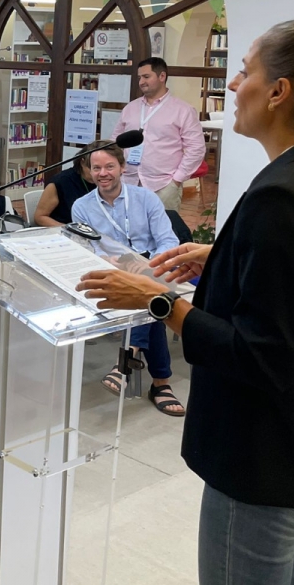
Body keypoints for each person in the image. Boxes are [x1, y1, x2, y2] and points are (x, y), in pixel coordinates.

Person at [79, 21, 294, 585]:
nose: (233, 81)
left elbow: (263, 353)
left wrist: (157, 300)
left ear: (279, 92)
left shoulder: (287, 197)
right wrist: (221, 254)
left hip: (263, 462)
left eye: (244, 69)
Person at [71, 141, 183, 416]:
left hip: (152, 266)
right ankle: (160, 383)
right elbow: (84, 247)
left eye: (109, 166)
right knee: (154, 298)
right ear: (88, 172)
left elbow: (168, 239)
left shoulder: (146, 199)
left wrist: (149, 264)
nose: (103, 173)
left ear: (122, 167)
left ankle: (128, 356)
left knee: (150, 289)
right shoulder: (81, 207)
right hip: (112, 272)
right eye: (96, 168)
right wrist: (108, 261)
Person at [110, 56, 205, 211]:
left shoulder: (183, 110)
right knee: (127, 231)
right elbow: (115, 142)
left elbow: (197, 148)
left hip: (163, 186)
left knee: (161, 233)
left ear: (162, 76)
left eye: (146, 77)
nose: (141, 82)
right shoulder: (130, 108)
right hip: (129, 182)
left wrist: (177, 180)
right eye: (139, 77)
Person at [32, 155, 94, 227]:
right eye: (95, 168)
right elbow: (40, 217)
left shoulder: (106, 182)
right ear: (82, 163)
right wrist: (69, 229)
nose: (101, 173)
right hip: (66, 231)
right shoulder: (61, 181)